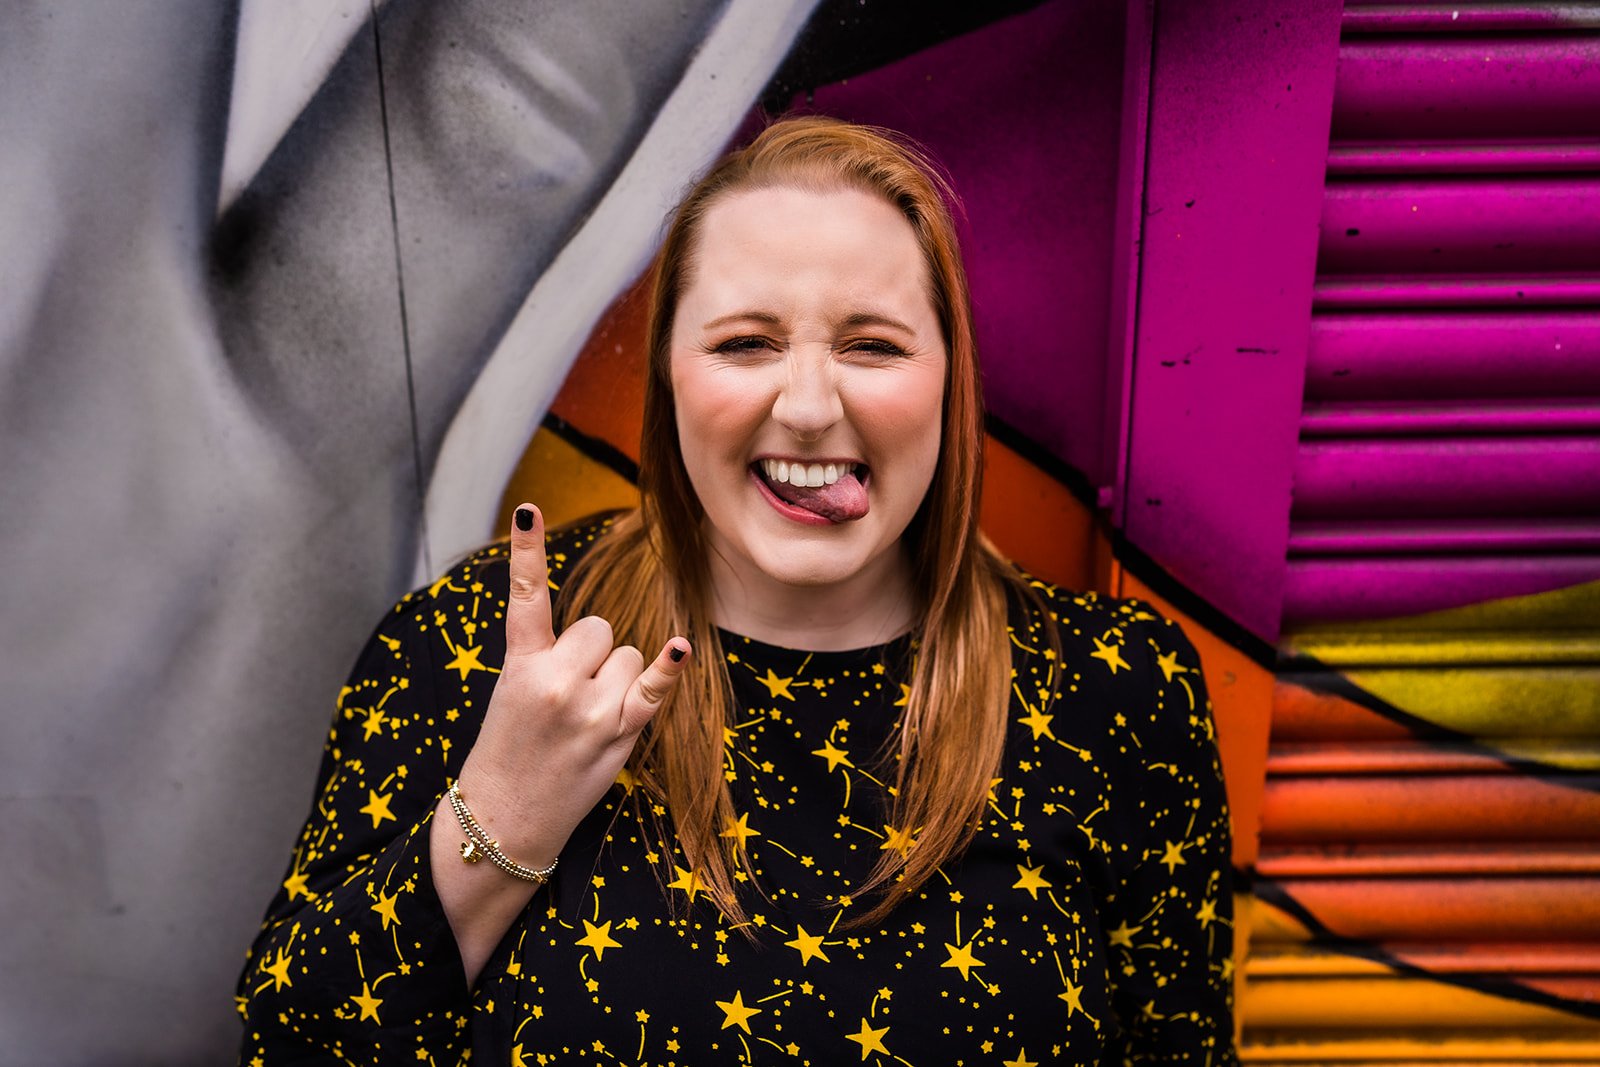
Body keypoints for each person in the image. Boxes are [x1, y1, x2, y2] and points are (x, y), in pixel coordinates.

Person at [238, 116, 1236, 1065]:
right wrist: (501, 815)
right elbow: (294, 1042)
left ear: (949, 376)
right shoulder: (480, 643)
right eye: (745, 342)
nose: (807, 406)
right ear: (669, 374)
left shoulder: (1115, 688)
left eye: (872, 344)